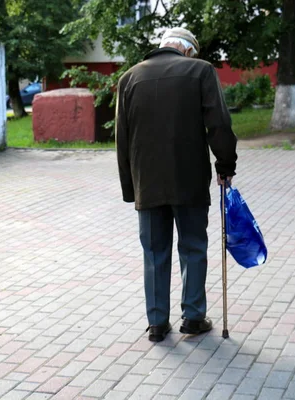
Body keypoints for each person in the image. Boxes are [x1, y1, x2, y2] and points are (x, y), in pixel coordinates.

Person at [115, 27, 238, 342]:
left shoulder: (129, 78)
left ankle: (157, 323)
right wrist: (226, 165)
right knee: (193, 247)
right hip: (190, 181)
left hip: (148, 184)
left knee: (155, 252)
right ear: (188, 50)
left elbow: (122, 139)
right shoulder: (200, 71)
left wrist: (131, 189)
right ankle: (193, 318)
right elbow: (219, 124)